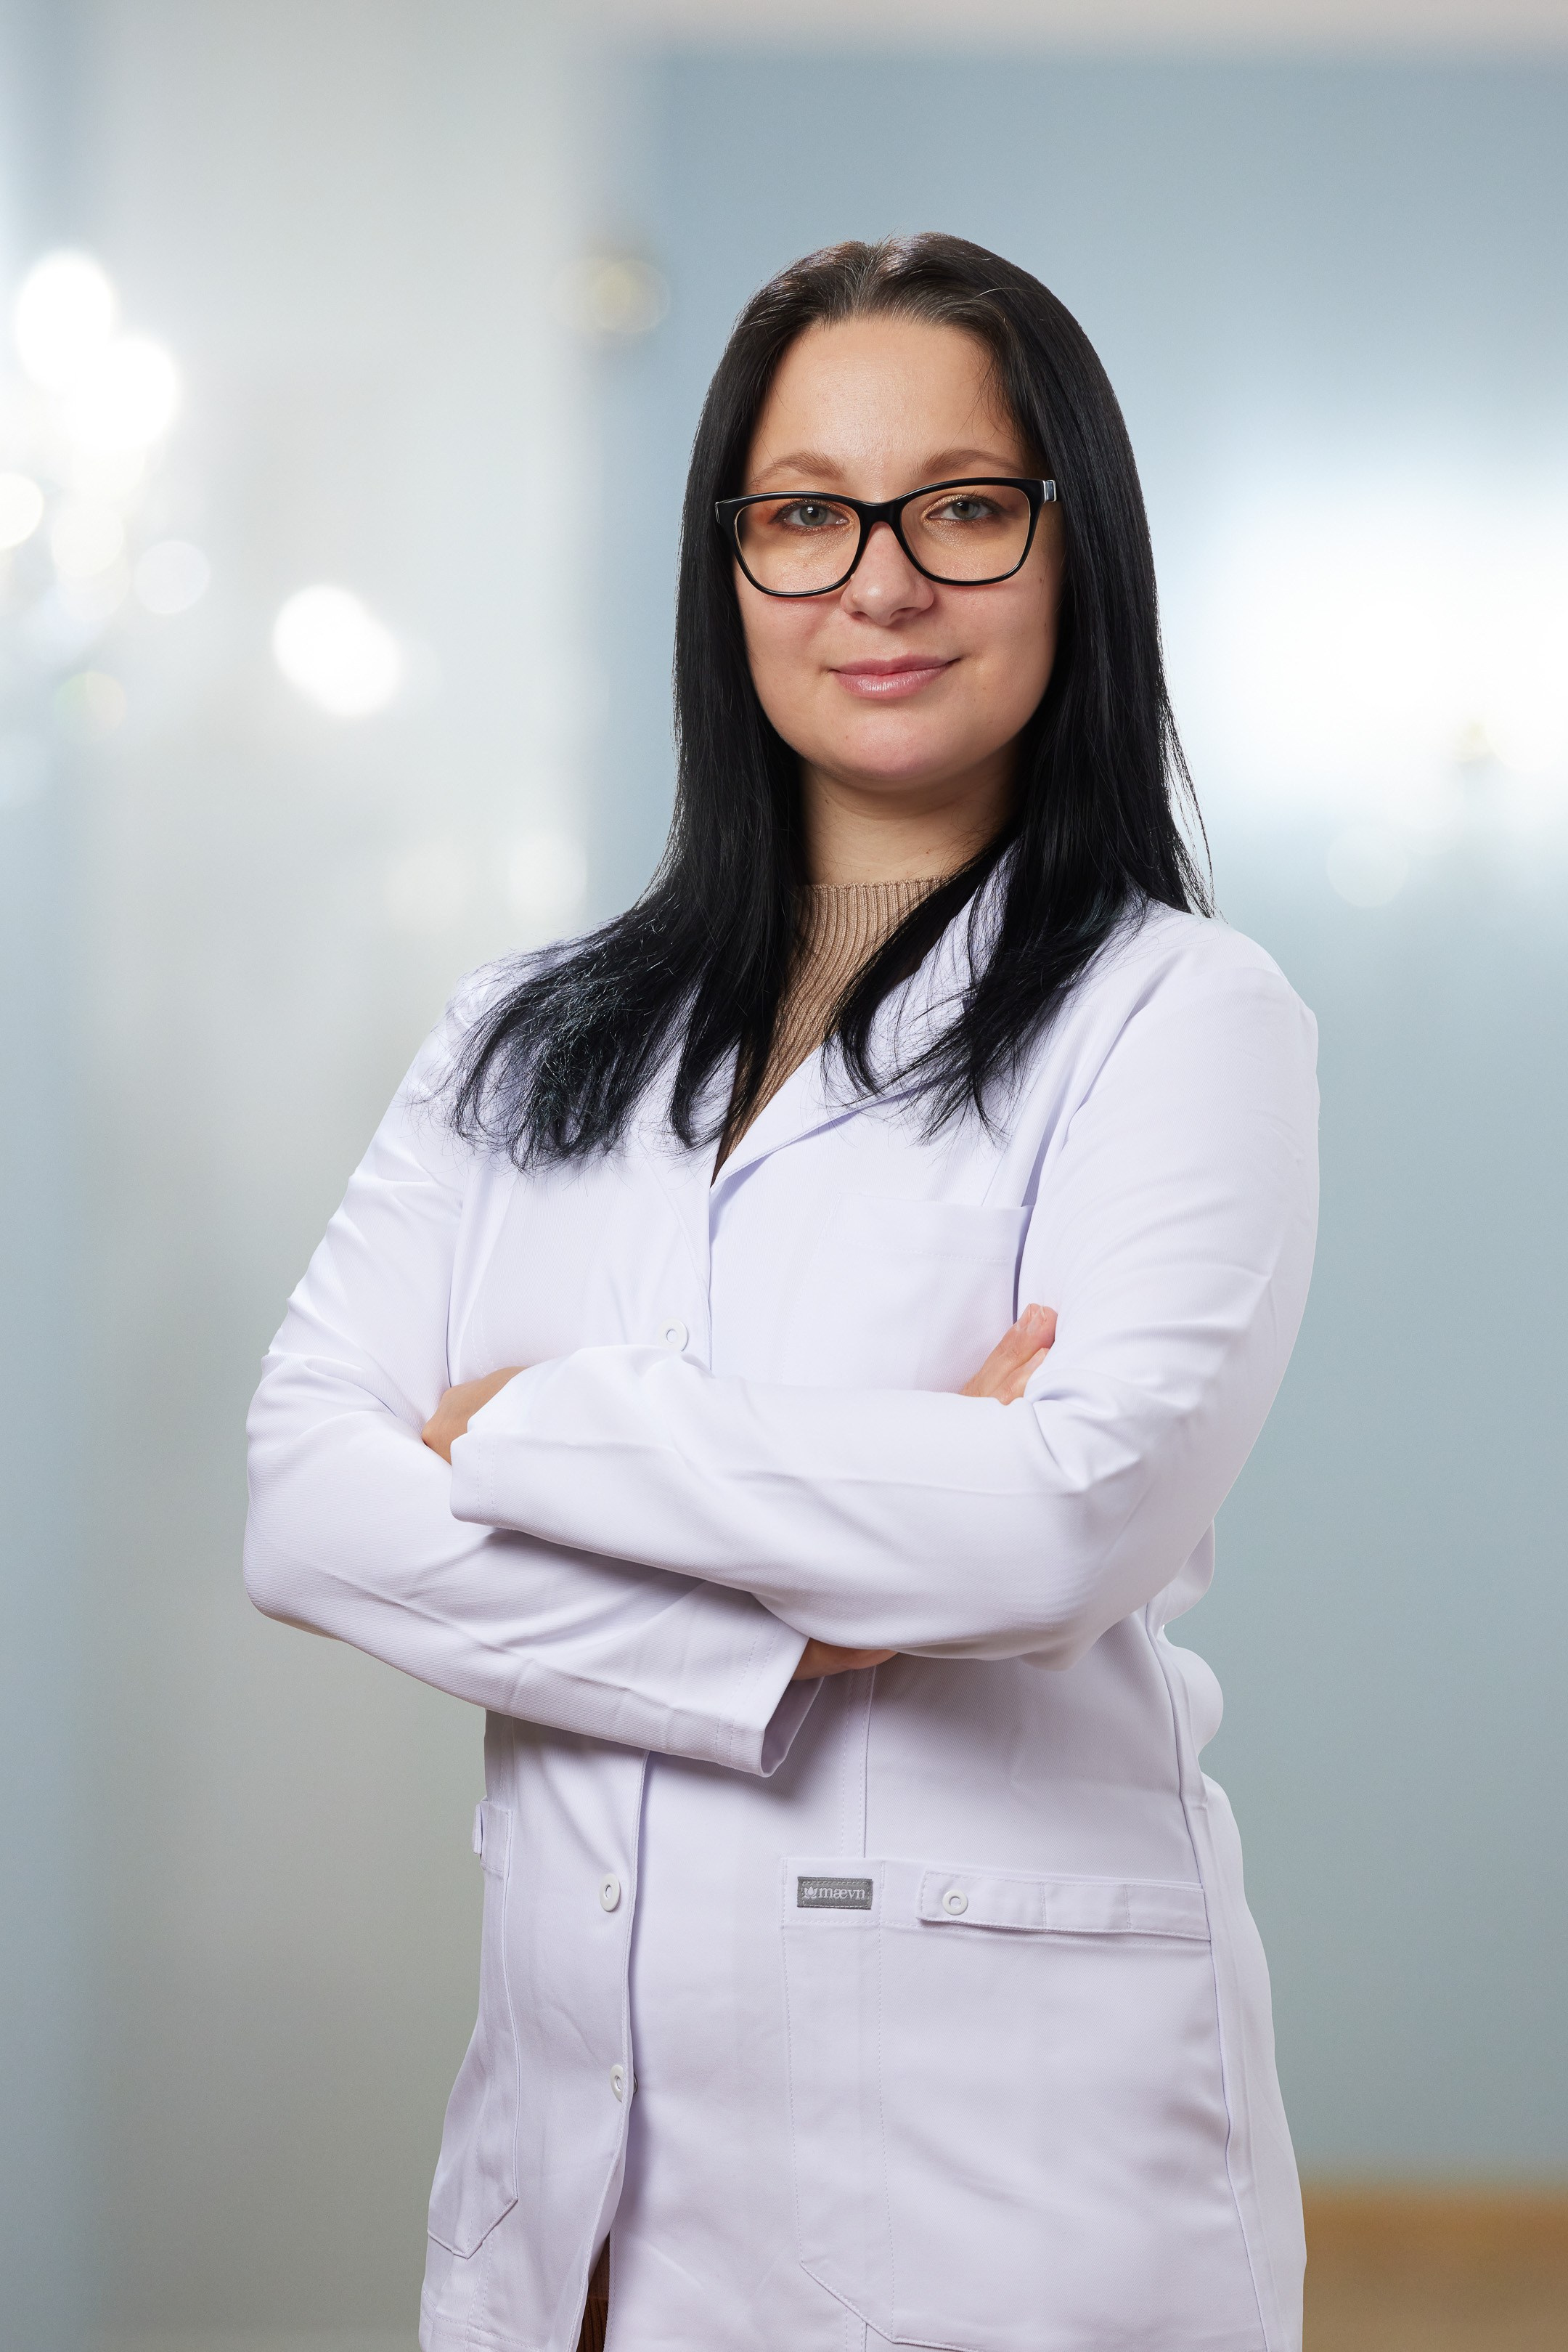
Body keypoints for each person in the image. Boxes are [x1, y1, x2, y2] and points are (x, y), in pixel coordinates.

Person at [245, 233, 1318, 2352]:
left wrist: (525, 1431)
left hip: (1002, 2184)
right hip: (573, 2170)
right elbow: (304, 1506)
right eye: (807, 513)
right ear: (728, 563)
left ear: (1074, 552)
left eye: (965, 508)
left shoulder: (1182, 1016)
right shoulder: (525, 1031)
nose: (880, 583)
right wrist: (811, 1616)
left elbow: (1061, 1520)